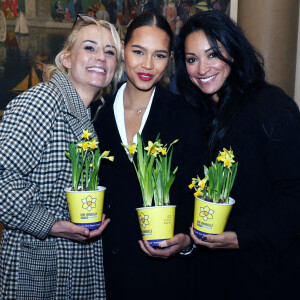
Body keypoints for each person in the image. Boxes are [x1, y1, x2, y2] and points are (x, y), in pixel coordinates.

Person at [174, 10, 300, 300]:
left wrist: (241, 235)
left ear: (233, 51)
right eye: (192, 59)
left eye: (213, 54)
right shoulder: (199, 115)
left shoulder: (271, 106)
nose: (202, 68)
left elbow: (295, 195)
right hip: (211, 276)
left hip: (265, 276)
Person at [0, 15, 122, 299]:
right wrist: (52, 226)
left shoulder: (86, 117)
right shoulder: (43, 100)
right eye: (90, 48)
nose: (101, 58)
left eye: (110, 52)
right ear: (66, 58)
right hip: (39, 270)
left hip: (75, 265)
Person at [92, 10, 203, 300]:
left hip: (164, 280)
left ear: (169, 61)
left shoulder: (186, 118)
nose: (147, 65)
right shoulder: (96, 113)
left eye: (160, 55)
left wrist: (187, 243)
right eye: (138, 51)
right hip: (101, 275)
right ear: (123, 51)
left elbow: (196, 203)